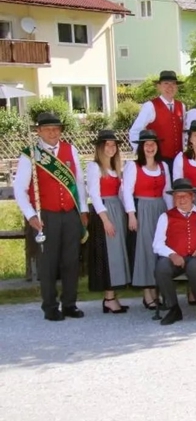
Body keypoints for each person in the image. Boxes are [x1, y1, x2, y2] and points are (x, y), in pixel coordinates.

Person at [13, 112, 89, 321]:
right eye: (47, 129)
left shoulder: (70, 149)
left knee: (71, 261)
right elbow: (20, 189)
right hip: (45, 215)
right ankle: (50, 306)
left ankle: (70, 304)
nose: (52, 133)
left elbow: (79, 183)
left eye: (56, 129)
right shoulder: (30, 154)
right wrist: (30, 215)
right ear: (39, 131)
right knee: (48, 263)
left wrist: (83, 210)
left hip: (70, 214)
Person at [123, 129, 172, 309]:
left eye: (153, 144)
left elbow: (167, 192)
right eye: (146, 144)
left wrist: (171, 214)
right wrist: (131, 214)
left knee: (160, 250)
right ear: (141, 147)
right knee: (145, 250)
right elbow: (127, 191)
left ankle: (158, 291)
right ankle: (147, 293)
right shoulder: (133, 166)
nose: (150, 147)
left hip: (160, 210)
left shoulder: (163, 166)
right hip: (142, 209)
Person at [86, 129, 130, 313]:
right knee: (108, 255)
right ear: (100, 147)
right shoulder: (94, 167)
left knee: (117, 253)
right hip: (103, 211)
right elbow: (94, 195)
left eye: (114, 145)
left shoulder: (115, 168)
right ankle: (109, 298)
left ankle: (111, 297)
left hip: (116, 209)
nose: (111, 148)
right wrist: (105, 220)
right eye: (107, 145)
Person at [152, 179, 196, 325]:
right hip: (174, 257)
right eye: (177, 197)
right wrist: (172, 254)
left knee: (195, 268)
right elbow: (157, 244)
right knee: (161, 268)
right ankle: (174, 309)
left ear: (192, 197)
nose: (181, 200)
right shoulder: (166, 216)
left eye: (185, 196)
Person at [128, 70, 185, 169]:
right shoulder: (150, 106)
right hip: (158, 160)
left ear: (176, 87)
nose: (170, 87)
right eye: (166, 83)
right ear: (159, 86)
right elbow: (135, 131)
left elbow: (184, 133)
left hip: (178, 160)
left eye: (173, 84)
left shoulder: (181, 106)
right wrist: (143, 153)